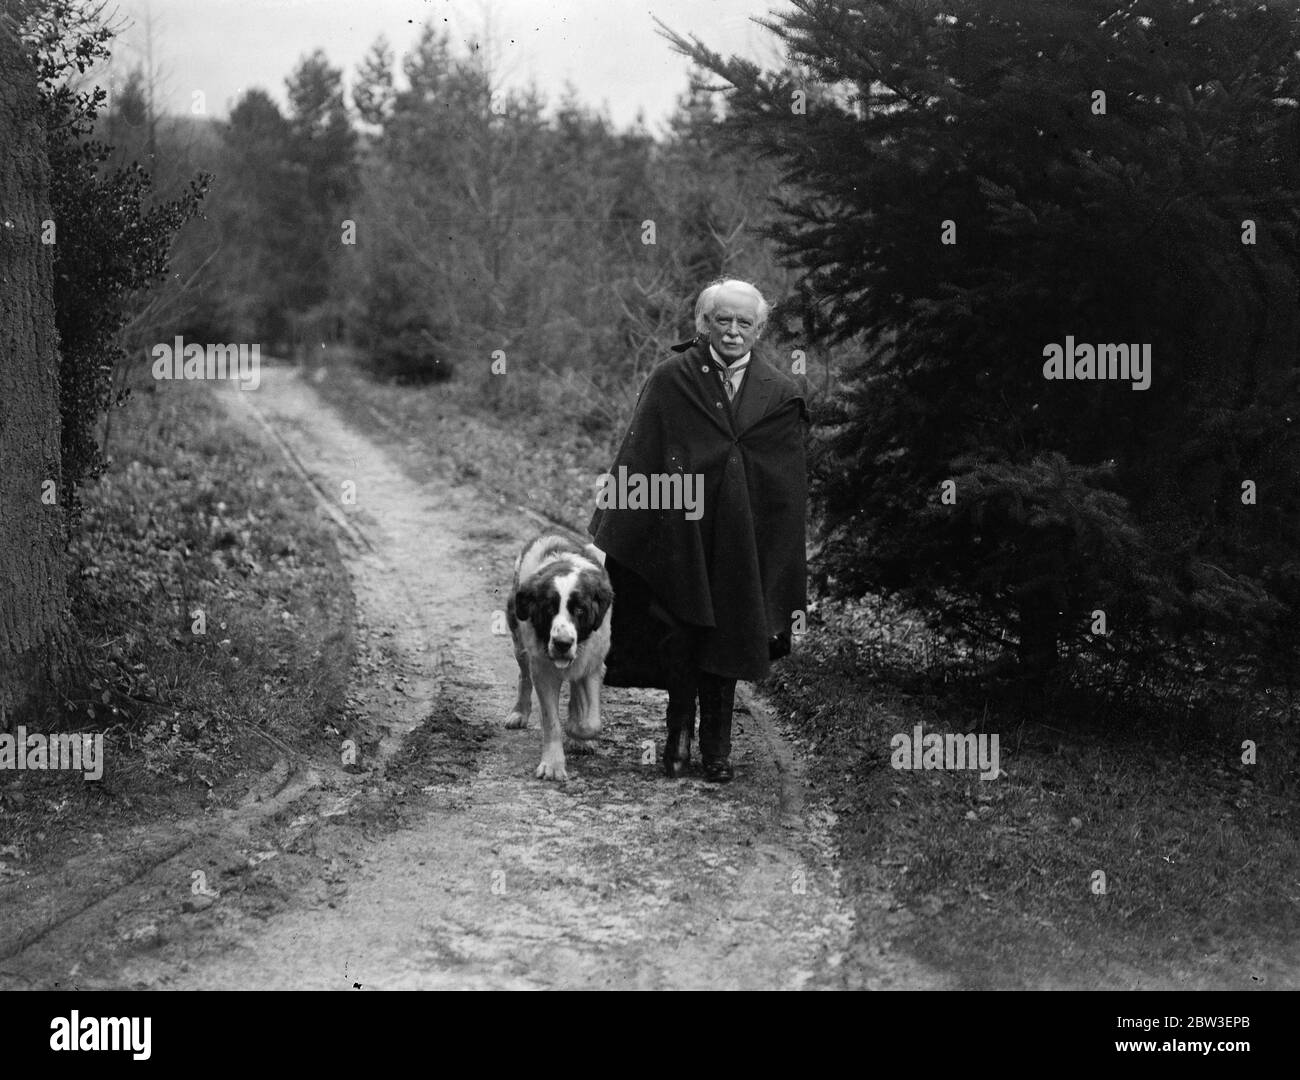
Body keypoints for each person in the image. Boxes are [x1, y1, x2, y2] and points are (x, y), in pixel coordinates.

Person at [589, 278, 808, 782]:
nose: (733, 331)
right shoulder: (673, 378)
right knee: (681, 635)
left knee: (728, 638)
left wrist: (775, 554)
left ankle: (718, 747)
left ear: (758, 330)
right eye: (722, 321)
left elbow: (785, 489)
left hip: (740, 543)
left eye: (744, 323)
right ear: (704, 324)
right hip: (679, 538)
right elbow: (641, 455)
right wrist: (623, 527)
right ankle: (677, 736)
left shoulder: (779, 394)